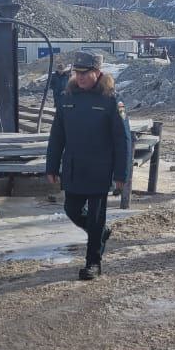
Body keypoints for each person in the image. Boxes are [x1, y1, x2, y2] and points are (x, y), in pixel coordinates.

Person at [45, 51, 130, 281]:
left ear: (98, 72)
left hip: (100, 168)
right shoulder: (67, 96)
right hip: (74, 167)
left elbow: (122, 139)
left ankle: (93, 263)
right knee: (71, 210)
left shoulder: (111, 99)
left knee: (95, 217)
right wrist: (51, 166)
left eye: (85, 73)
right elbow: (57, 135)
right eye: (77, 73)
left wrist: (122, 173)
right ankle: (101, 234)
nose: (80, 77)